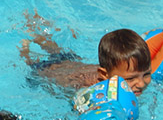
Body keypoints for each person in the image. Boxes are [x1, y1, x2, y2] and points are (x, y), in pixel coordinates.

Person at [19, 11, 153, 96]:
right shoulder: (90, 91)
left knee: (57, 51)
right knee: (29, 60)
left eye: (146, 74)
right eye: (130, 79)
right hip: (45, 71)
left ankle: (35, 32)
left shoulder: (120, 71)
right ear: (105, 75)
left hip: (72, 62)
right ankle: (26, 42)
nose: (141, 83)